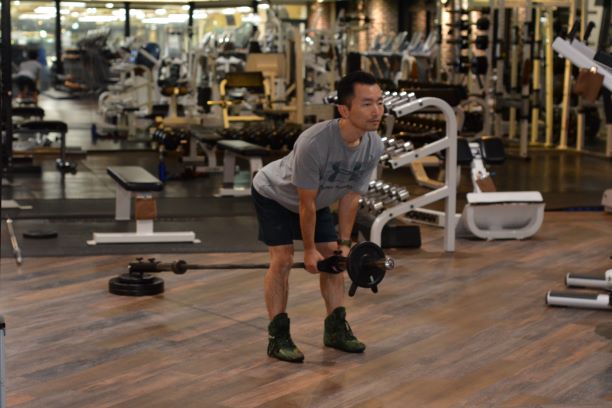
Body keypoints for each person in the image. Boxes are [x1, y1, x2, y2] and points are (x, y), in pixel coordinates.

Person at [251, 71, 385, 363]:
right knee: (283, 259)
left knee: (334, 258)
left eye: (380, 102)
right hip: (275, 194)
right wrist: (309, 249)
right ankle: (278, 337)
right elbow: (306, 203)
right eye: (367, 104)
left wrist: (345, 243)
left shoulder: (374, 145)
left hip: (318, 199)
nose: (376, 111)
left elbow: (351, 197)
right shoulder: (315, 142)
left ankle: (335, 330)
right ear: (344, 110)